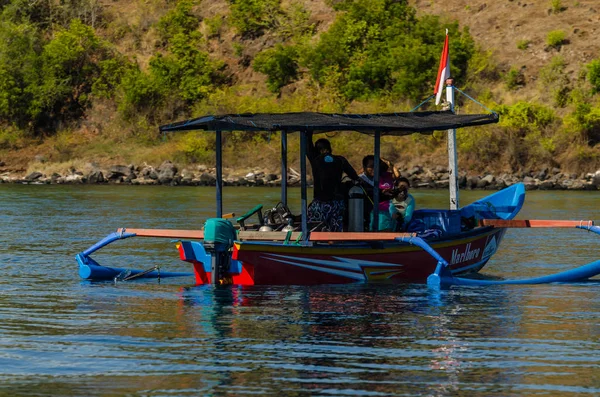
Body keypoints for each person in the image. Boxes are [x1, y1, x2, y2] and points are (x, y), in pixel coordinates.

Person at [306, 131, 359, 232]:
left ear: (318, 150)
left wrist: (308, 133)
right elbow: (354, 176)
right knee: (335, 229)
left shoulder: (316, 159)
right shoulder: (340, 160)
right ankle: (334, 243)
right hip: (336, 202)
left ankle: (317, 245)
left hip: (320, 202)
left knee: (316, 228)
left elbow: (307, 148)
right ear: (329, 148)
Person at [358, 155, 399, 231]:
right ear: (364, 167)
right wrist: (381, 192)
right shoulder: (360, 180)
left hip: (374, 214)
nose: (374, 169)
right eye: (371, 166)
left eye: (376, 166)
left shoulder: (376, 180)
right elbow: (369, 194)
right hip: (361, 216)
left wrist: (388, 194)